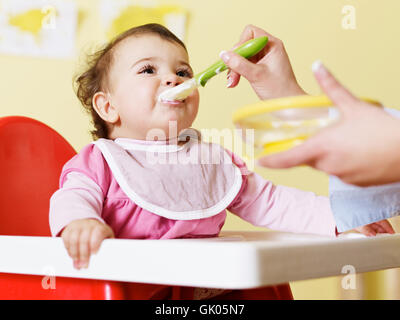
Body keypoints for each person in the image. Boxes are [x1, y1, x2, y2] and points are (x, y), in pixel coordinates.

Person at [49, 23, 393, 300]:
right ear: (108, 107)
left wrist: (340, 219)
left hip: (213, 290)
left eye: (183, 71)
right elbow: (72, 196)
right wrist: (79, 222)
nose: (172, 79)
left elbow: (269, 200)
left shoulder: (213, 160)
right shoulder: (102, 161)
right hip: (137, 290)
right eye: (148, 70)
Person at [220, 24, 400, 232]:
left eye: (182, 72)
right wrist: (289, 98)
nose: (173, 80)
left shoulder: (216, 163)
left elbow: (264, 202)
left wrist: (335, 216)